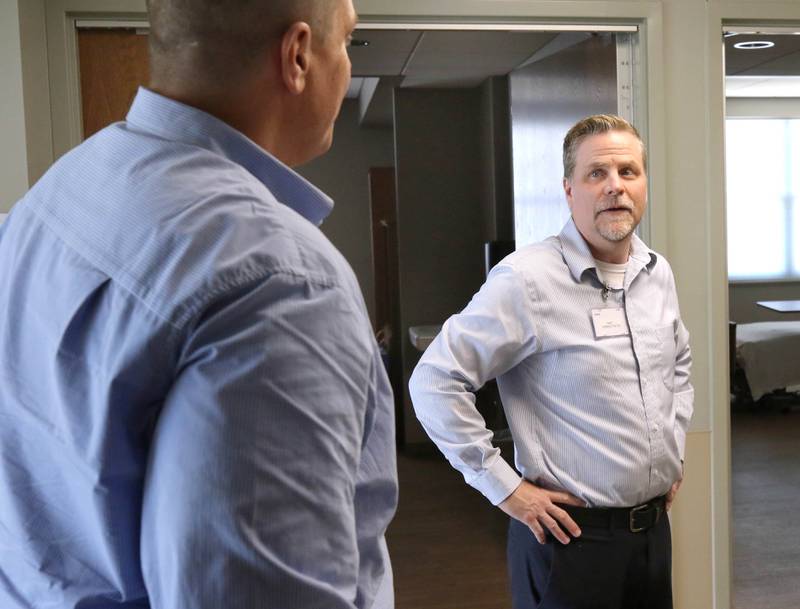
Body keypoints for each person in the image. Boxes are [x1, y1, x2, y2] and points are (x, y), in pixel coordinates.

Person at [0, 1, 397, 608]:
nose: (345, 66)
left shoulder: (62, 188)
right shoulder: (278, 282)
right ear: (296, 57)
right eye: (346, 43)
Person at [409, 114, 693, 609]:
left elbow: (679, 364)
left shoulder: (655, 271)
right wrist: (506, 490)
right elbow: (434, 380)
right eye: (596, 174)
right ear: (569, 190)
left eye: (628, 172)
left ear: (644, 183)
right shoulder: (527, 279)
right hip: (570, 542)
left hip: (651, 537)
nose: (615, 188)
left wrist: (671, 449)